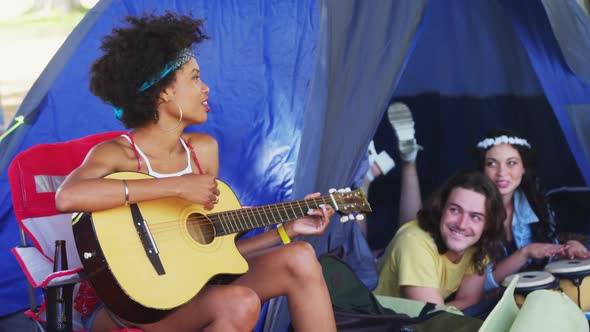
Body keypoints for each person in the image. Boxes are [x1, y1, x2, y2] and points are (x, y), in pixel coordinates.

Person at [55, 13, 336, 332]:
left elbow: (212, 259)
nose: (206, 88)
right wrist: (176, 187)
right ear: (163, 93)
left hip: (191, 293)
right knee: (239, 302)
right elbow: (68, 196)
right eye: (194, 78)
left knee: (298, 256)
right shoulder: (118, 154)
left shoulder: (203, 152)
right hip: (129, 306)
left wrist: (285, 231)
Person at [472, 129, 590, 291]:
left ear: (523, 168)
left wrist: (566, 249)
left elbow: (545, 253)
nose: (502, 173)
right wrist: (525, 253)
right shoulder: (472, 211)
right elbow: (479, 286)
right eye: (492, 163)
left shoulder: (535, 204)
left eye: (511, 163)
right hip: (492, 301)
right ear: (482, 169)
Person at [373, 170, 505, 310]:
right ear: (441, 208)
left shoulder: (478, 243)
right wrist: (442, 312)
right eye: (455, 210)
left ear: (487, 225)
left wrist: (443, 310)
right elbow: (432, 318)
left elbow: (469, 299)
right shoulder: (414, 242)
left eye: (475, 217)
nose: (462, 224)